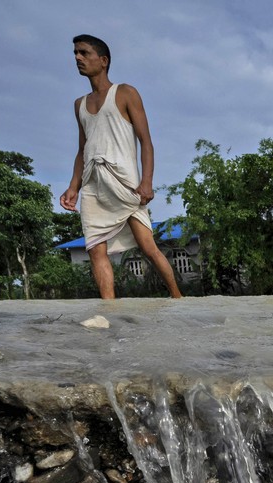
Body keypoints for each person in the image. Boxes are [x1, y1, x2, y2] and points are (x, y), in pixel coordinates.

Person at [60, 34, 182, 300]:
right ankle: (109, 312)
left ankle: (178, 298)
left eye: (84, 53)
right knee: (95, 249)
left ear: (103, 61)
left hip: (124, 183)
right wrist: (73, 187)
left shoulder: (125, 93)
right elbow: (82, 150)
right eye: (75, 54)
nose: (78, 58)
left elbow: (146, 141)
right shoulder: (79, 105)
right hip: (93, 185)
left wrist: (147, 181)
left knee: (147, 247)